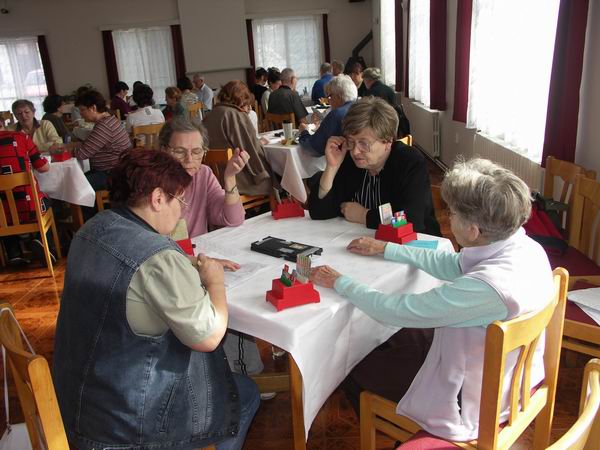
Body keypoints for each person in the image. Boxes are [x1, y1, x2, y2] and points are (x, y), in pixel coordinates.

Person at [310, 158, 554, 442]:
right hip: (506, 369)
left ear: (473, 230)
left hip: (473, 396)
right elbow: (452, 264)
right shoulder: (524, 246)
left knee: (349, 363)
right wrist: (387, 248)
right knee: (386, 338)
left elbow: (396, 310)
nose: (448, 217)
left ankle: (403, 436)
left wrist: (339, 281)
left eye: (453, 213)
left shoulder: (485, 288)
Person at [53, 149, 259, 450]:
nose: (182, 212)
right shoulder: (159, 258)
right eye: (180, 201)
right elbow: (209, 336)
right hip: (127, 428)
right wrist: (215, 281)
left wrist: (185, 264)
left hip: (77, 405)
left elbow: (128, 265)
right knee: (244, 394)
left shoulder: (91, 229)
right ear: (158, 198)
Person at [308, 97, 440, 235]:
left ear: (388, 141)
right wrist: (331, 167)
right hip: (360, 239)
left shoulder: (410, 162)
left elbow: (410, 220)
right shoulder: (349, 159)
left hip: (414, 243)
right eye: (351, 141)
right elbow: (318, 211)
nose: (355, 151)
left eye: (364, 143)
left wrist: (365, 215)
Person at [158, 118, 246, 239]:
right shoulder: (151, 181)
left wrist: (230, 177)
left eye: (196, 151)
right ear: (163, 151)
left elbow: (234, 219)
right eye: (179, 151)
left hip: (198, 248)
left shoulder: (203, 174)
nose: (189, 159)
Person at [203, 80, 273, 197]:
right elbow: (250, 149)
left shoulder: (208, 116)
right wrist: (259, 144)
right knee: (278, 173)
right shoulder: (235, 115)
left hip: (215, 181)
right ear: (241, 99)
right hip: (238, 180)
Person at [0, 127, 52, 265]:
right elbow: (43, 167)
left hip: (2, 215)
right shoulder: (21, 137)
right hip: (29, 207)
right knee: (48, 201)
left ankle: (13, 253)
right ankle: (40, 240)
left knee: (3, 212)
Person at [64, 90, 132, 191]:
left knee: (73, 186)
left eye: (82, 110)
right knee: (75, 180)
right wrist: (71, 146)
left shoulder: (104, 126)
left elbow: (82, 154)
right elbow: (90, 144)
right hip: (116, 169)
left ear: (93, 108)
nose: (81, 114)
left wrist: (62, 150)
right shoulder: (110, 119)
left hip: (112, 174)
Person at [298, 74, 357, 156]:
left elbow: (313, 149)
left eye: (329, 97)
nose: (328, 101)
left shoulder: (337, 114)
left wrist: (304, 132)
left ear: (339, 96)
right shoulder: (361, 108)